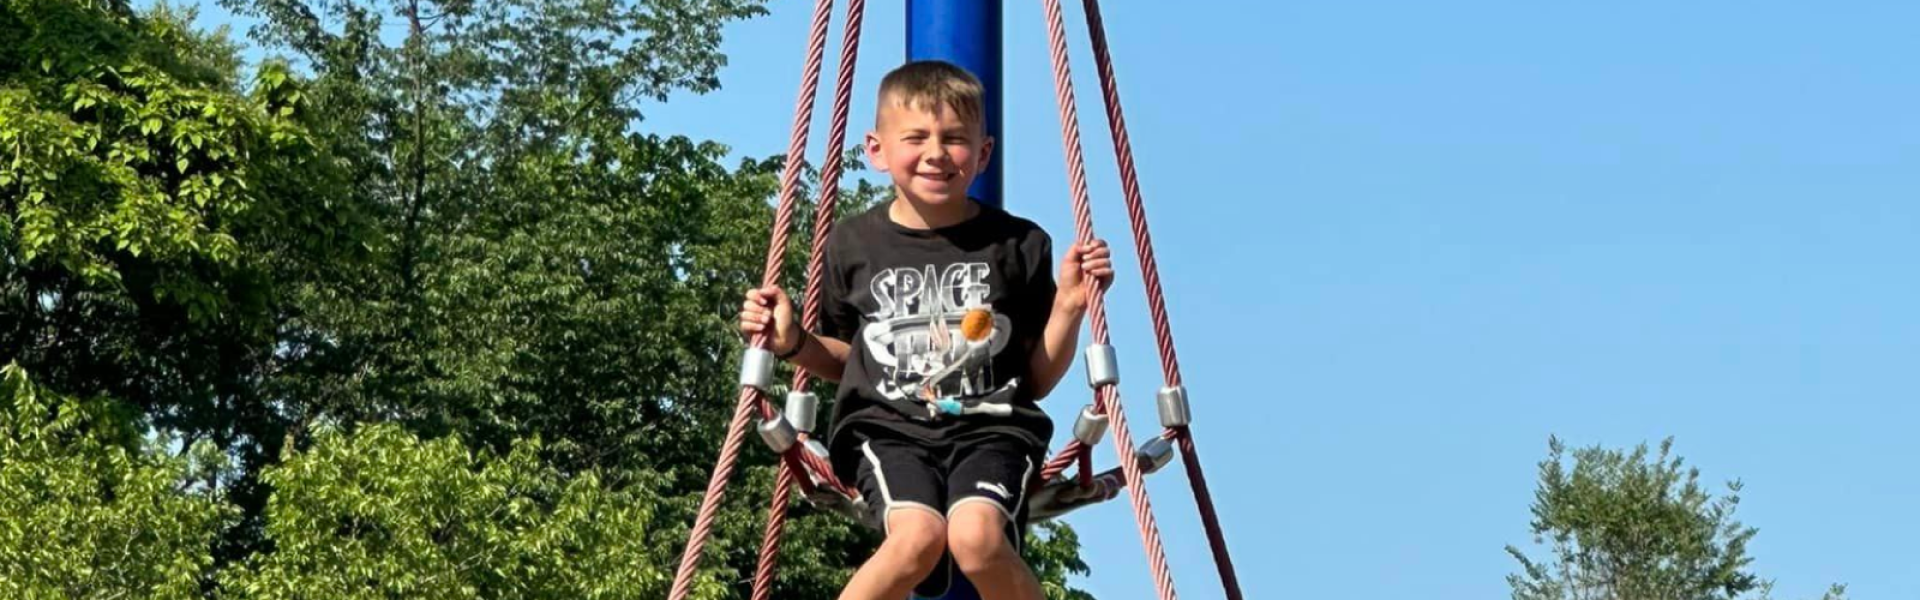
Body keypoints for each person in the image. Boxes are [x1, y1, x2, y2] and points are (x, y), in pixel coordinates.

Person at [737, 59, 1113, 600]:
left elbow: (1035, 378)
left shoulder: (1020, 245)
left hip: (993, 428)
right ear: (877, 150)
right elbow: (852, 360)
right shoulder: (852, 243)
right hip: (888, 429)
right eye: (916, 137)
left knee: (977, 537)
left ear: (983, 153)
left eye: (955, 138)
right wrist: (794, 342)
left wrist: (1070, 307)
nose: (935, 152)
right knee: (916, 536)